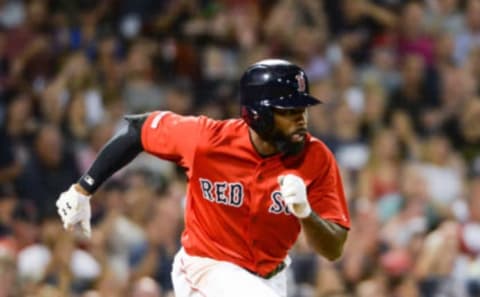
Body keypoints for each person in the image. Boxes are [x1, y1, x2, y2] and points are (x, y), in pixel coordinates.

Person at [56, 59, 351, 297]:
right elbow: (138, 130)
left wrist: (306, 213)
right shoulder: (206, 141)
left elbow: (334, 248)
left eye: (303, 109)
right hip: (207, 267)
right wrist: (83, 189)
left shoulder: (316, 157)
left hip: (271, 278)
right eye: (289, 110)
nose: (301, 118)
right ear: (258, 114)